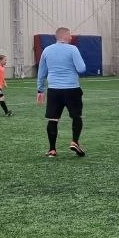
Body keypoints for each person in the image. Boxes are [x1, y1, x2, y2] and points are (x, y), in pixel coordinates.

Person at [36, 27, 87, 157]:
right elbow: (81, 69)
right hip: (72, 89)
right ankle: (75, 142)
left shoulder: (47, 50)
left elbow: (41, 72)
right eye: (70, 35)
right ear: (64, 36)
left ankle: (52, 150)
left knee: (53, 119)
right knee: (76, 117)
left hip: (54, 90)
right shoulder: (73, 49)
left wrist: (40, 89)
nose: (71, 37)